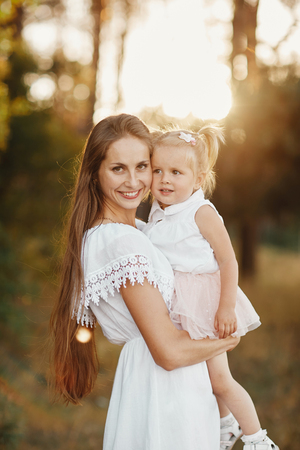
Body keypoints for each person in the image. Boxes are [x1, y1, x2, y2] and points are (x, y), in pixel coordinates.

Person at [49, 114, 240, 450]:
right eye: (118, 168)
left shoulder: (138, 231)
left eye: (142, 166)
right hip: (164, 391)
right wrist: (226, 342)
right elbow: (168, 352)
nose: (134, 181)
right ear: (95, 174)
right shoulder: (123, 242)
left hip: (171, 386)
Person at [143, 126, 279, 450]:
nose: (164, 179)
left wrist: (226, 307)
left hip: (205, 303)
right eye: (158, 170)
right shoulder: (158, 210)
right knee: (200, 379)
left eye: (176, 172)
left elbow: (229, 261)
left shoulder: (200, 212)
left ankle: (257, 438)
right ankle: (225, 424)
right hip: (179, 303)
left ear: (198, 179)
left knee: (219, 380)